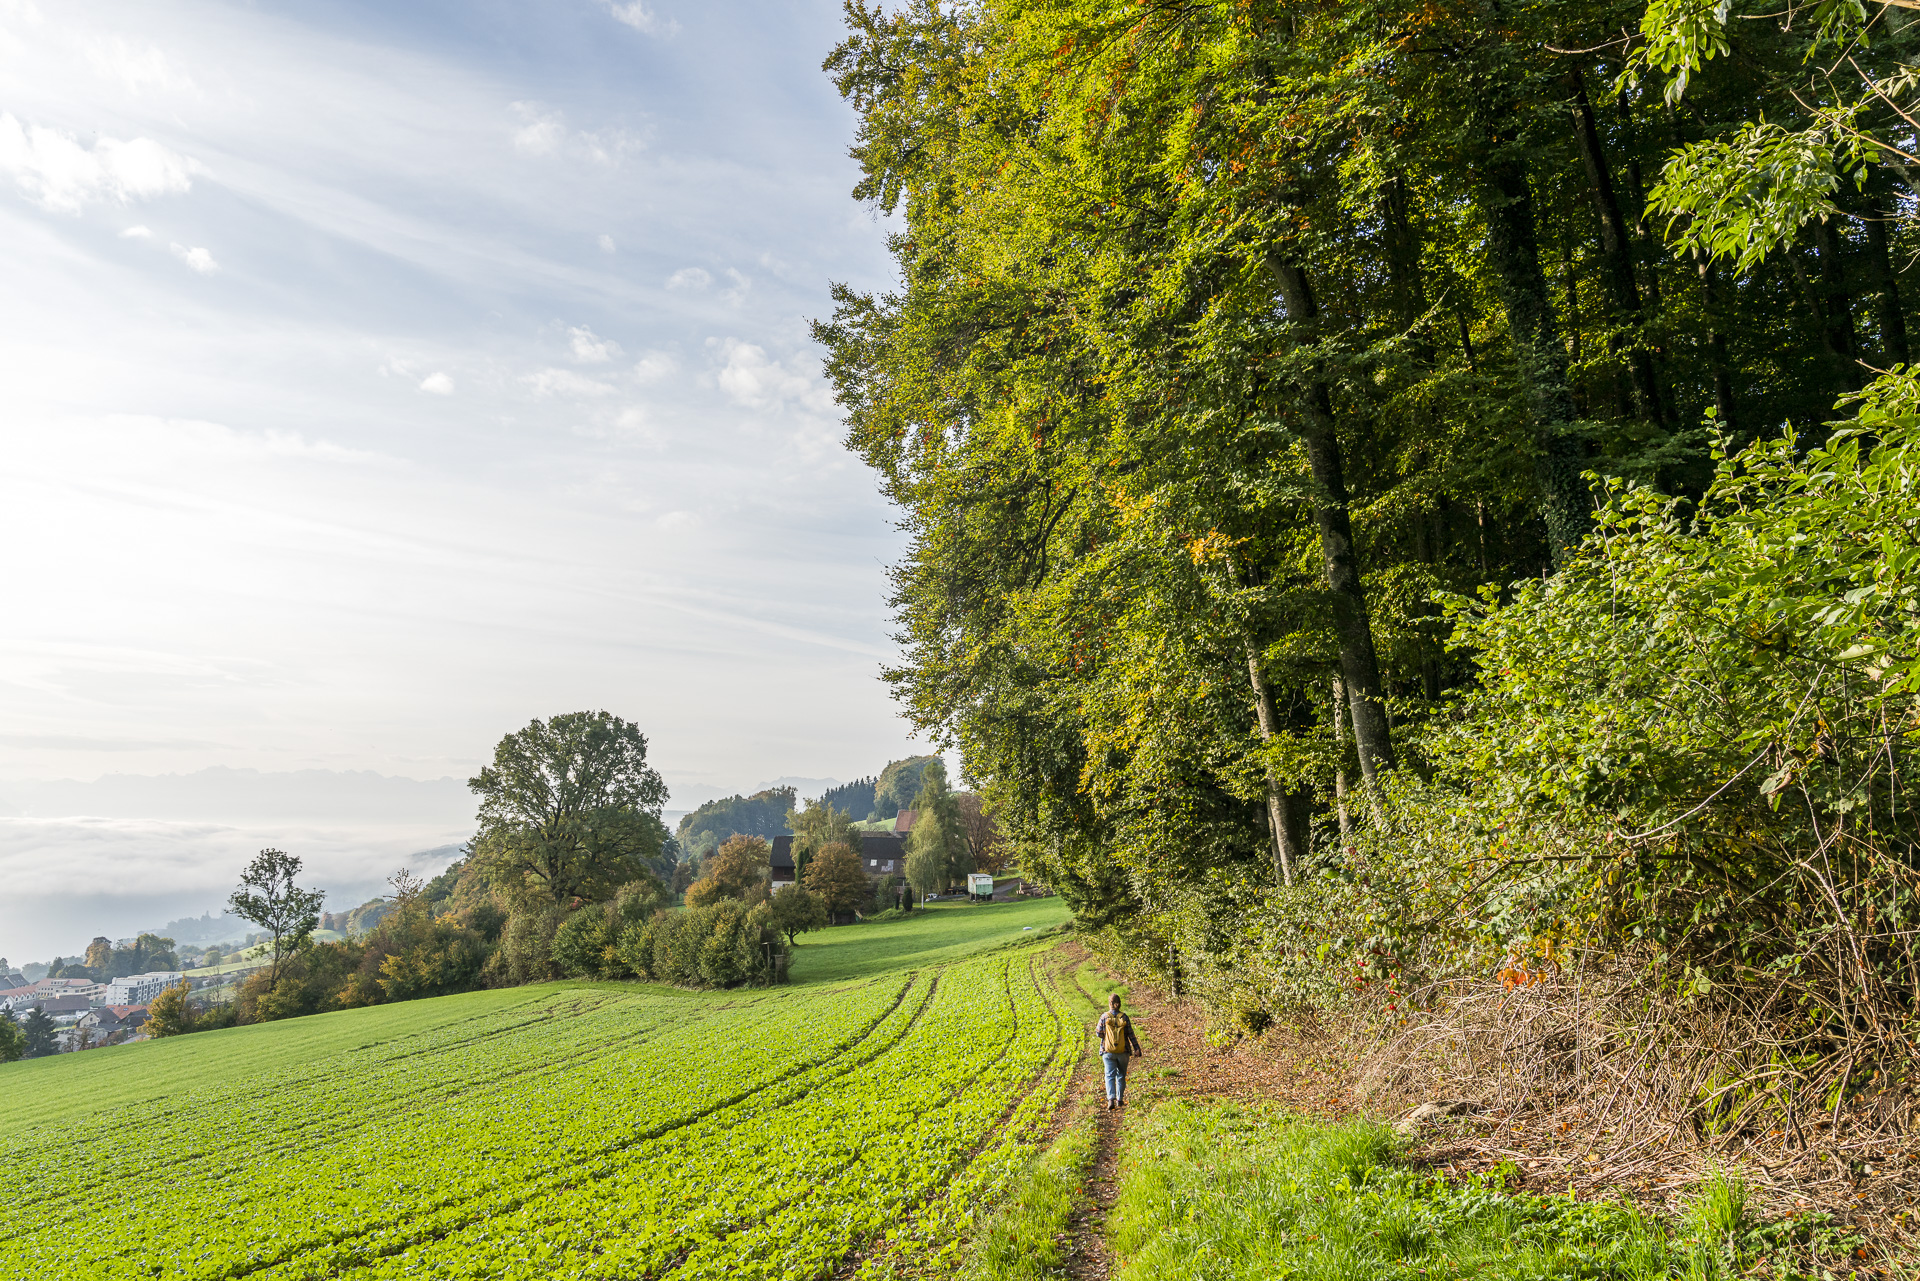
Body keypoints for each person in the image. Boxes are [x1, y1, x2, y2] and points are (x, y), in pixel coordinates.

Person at [1094, 993, 1143, 1109]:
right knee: (1121, 1075)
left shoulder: (1104, 1017)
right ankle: (1120, 1099)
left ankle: (1111, 1099)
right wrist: (1137, 1048)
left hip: (1108, 1051)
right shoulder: (1124, 1017)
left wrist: (1108, 1036)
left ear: (1110, 1003)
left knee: (1109, 1075)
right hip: (1123, 1051)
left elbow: (1098, 1033)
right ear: (1119, 1004)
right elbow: (1131, 1034)